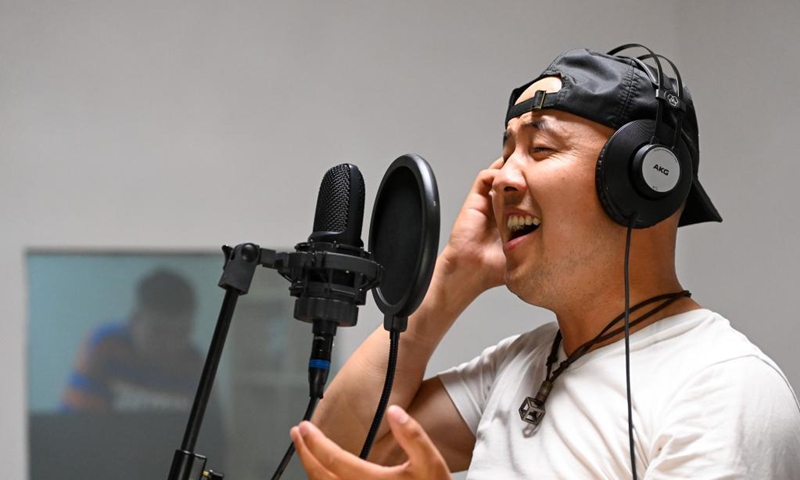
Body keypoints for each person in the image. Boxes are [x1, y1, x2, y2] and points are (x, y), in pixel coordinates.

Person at [291, 46, 800, 478]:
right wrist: (451, 277)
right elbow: (336, 451)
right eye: (507, 150)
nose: (498, 179)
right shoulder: (521, 365)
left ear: (643, 183)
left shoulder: (724, 386)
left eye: (541, 148)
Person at [62, 268, 204, 412]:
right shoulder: (108, 346)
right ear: (134, 320)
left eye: (182, 332)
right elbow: (76, 420)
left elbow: (212, 428)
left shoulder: (194, 365)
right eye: (158, 331)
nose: (170, 344)